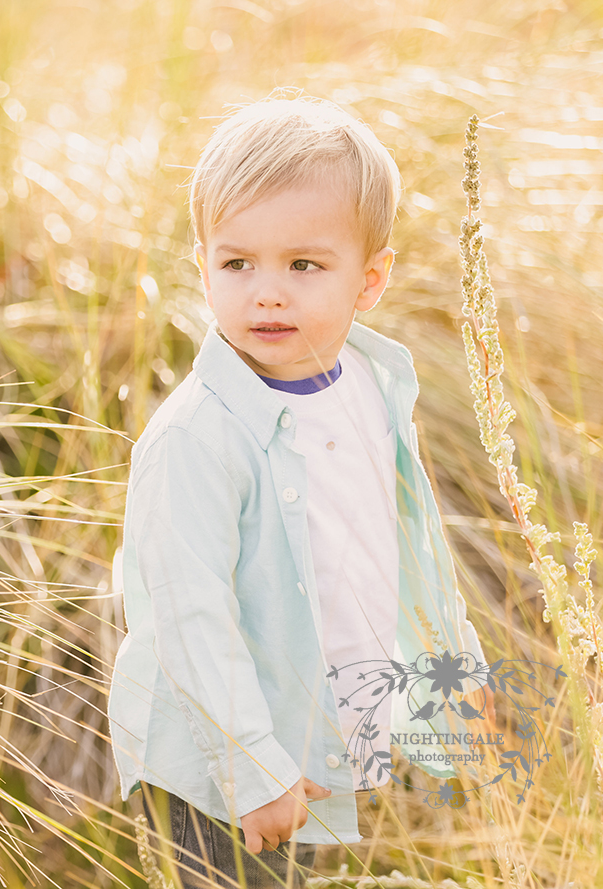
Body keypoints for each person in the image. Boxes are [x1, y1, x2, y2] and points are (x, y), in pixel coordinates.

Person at [107, 95, 493, 888]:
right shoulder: (197, 440)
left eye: (304, 265)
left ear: (371, 279)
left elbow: (400, 549)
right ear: (203, 265)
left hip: (321, 727)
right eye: (237, 262)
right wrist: (252, 765)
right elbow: (191, 617)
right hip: (217, 766)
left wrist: (456, 678)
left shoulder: (373, 388)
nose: (267, 293)